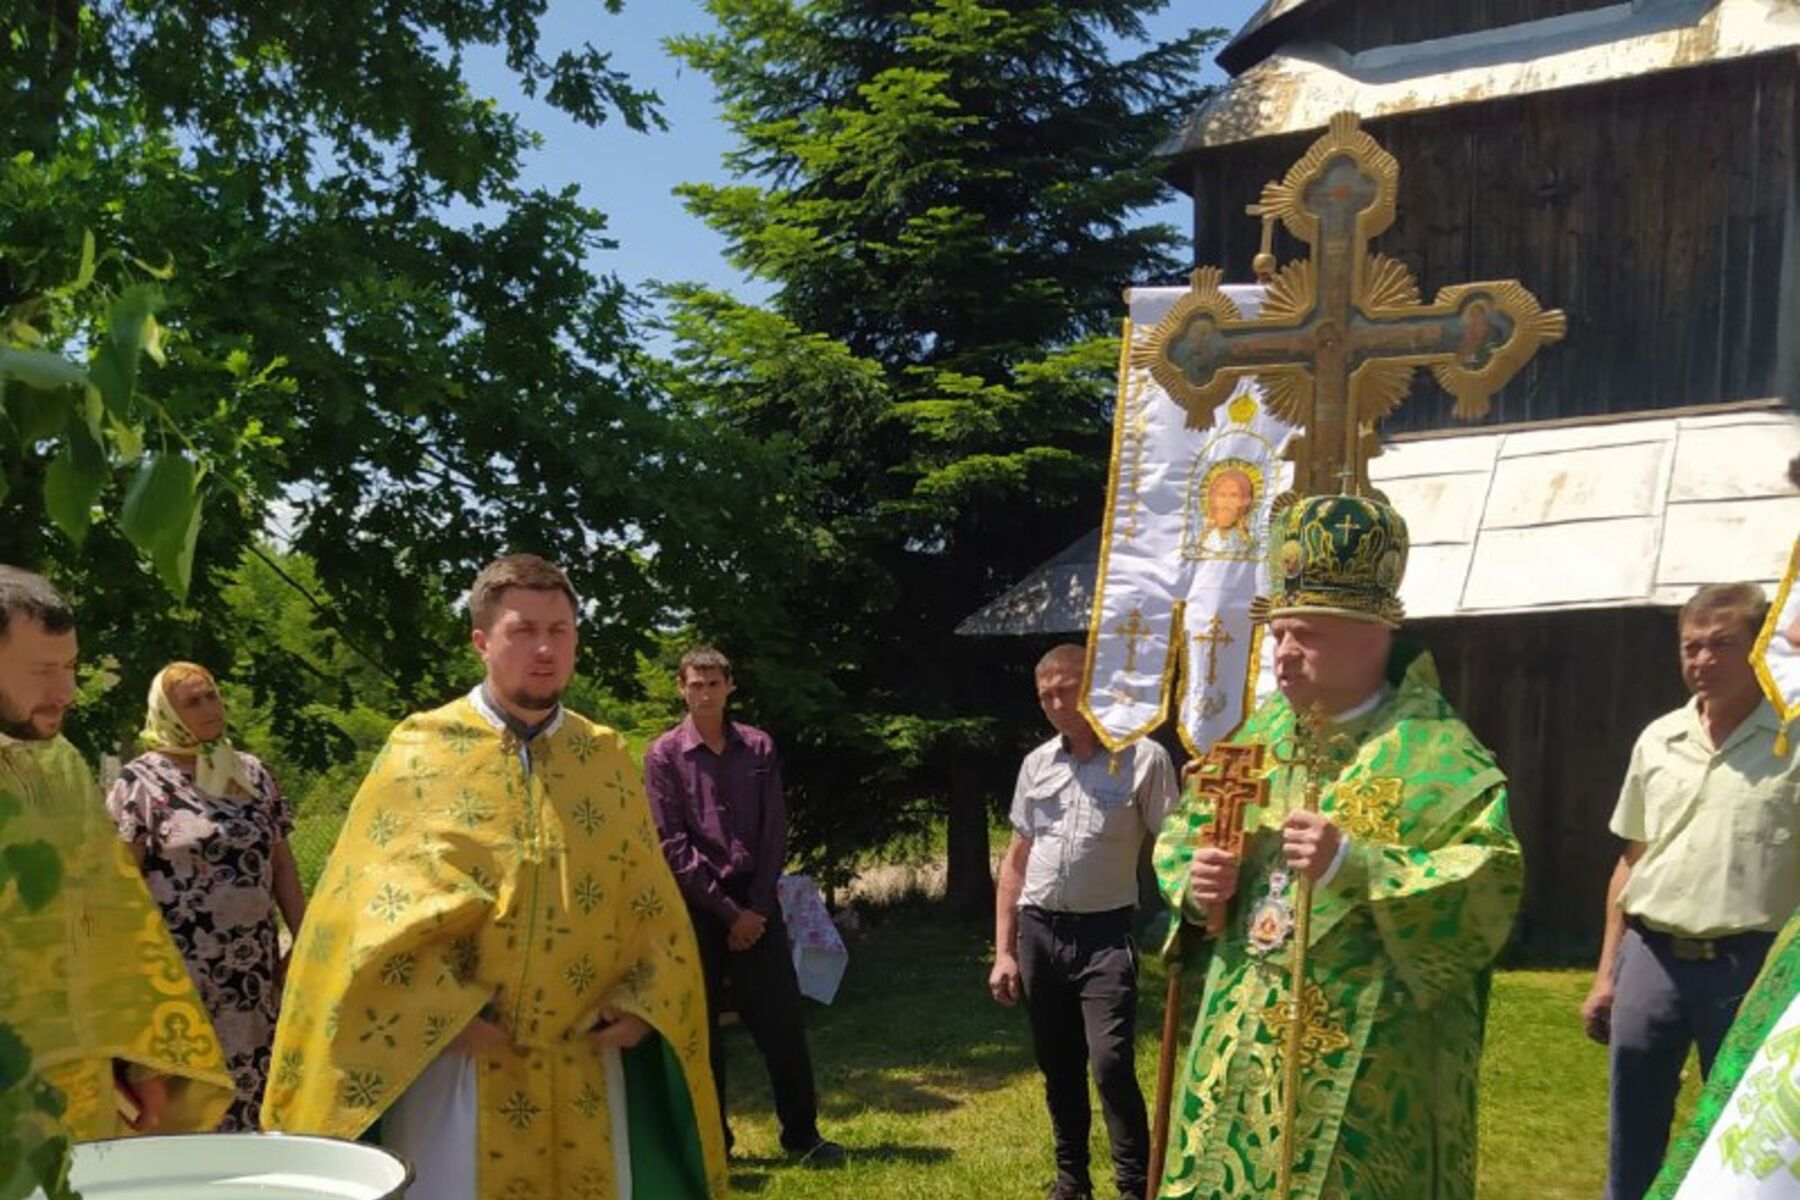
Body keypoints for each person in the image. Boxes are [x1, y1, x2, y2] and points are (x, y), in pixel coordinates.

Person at [263, 554, 726, 1200]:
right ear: (482, 641)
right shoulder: (421, 749)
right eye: (523, 630)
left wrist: (643, 1002)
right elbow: (360, 921)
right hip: (461, 1061)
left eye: (559, 630)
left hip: (586, 1064)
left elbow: (650, 907)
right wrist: (440, 1014)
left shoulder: (606, 757)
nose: (544, 648)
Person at [1152, 495, 1523, 1200]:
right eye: (1280, 634)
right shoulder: (1256, 738)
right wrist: (1194, 882)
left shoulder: (1441, 757)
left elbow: (1490, 885)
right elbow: (1184, 835)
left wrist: (1358, 864)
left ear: (1374, 636)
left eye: (1308, 636)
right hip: (1239, 1036)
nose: (1285, 656)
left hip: (1370, 1057)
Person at [1581, 582, 1800, 1200]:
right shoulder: (1659, 739)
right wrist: (1606, 974)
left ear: (1759, 650)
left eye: (1720, 646)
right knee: (1634, 1128)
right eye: (1690, 647)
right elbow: (1630, 862)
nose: (1701, 661)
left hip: (1750, 966)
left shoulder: (1792, 740)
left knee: (1746, 1127)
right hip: (1651, 957)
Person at [0, 566, 233, 1139]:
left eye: (70, 667)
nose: (66, 691)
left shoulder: (59, 766)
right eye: (42, 671)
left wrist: (143, 1061)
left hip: (72, 1083)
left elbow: (109, 922)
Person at [989, 643, 1178, 1200]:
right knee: (1058, 1064)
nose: (1053, 703)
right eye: (1044, 695)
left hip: (1105, 936)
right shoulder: (1037, 764)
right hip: (1039, 933)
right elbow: (1016, 861)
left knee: (1112, 1062)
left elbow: (1174, 844)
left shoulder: (1144, 759)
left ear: (1092, 686)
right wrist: (1003, 950)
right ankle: (1071, 1181)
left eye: (1063, 690)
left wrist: (1189, 916)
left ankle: (1134, 1187)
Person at [643, 646, 842, 1165]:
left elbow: (775, 829)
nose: (704, 693)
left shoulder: (757, 746)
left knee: (782, 1026)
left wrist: (754, 910)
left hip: (759, 903)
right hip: (699, 909)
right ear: (681, 689)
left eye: (714, 683)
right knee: (703, 1035)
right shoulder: (663, 754)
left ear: (730, 686)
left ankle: (802, 1136)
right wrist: (729, 914)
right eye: (695, 684)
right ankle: (716, 1146)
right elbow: (672, 845)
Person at [104, 662, 307, 1131]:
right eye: (192, 702)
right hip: (182, 979)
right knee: (192, 1104)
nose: (209, 708)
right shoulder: (141, 783)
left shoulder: (250, 773)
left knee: (255, 1099)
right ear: (167, 713)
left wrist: (304, 939)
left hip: (251, 975)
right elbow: (120, 884)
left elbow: (281, 865)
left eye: (212, 695)